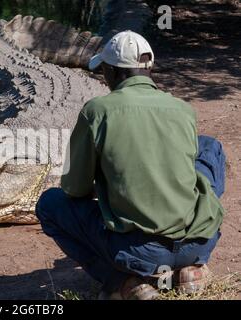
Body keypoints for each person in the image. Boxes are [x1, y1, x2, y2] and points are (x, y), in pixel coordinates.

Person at [35, 31, 226, 300]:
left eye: (103, 71)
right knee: (210, 146)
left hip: (140, 253)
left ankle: (123, 283)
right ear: (148, 68)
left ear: (112, 72)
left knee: (49, 204)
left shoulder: (96, 111)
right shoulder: (183, 108)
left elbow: (74, 190)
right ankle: (190, 269)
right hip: (197, 242)